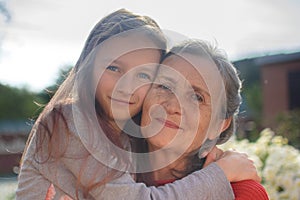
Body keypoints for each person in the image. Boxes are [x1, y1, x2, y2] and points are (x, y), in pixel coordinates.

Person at [17, 9, 259, 200]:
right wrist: (220, 173)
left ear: (221, 124)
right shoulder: (70, 122)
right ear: (88, 68)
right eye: (113, 68)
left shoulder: (241, 192)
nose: (126, 86)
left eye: (143, 75)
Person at [132, 39, 269, 199]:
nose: (172, 106)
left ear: (219, 125)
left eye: (197, 98)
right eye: (165, 86)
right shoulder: (108, 177)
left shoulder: (241, 193)